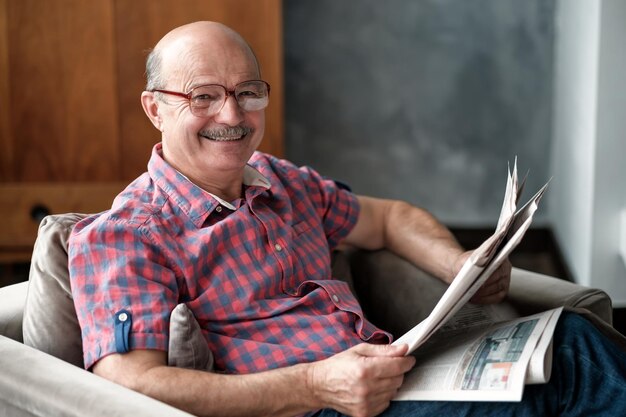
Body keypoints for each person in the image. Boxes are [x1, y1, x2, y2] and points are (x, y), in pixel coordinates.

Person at [68, 21, 626, 417]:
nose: (232, 115)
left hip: (388, 376)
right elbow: (129, 384)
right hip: (307, 407)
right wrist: (317, 384)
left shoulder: (279, 180)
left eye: (247, 93)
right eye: (204, 97)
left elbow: (387, 218)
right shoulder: (124, 234)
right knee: (566, 379)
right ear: (154, 108)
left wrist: (459, 264)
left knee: (572, 340)